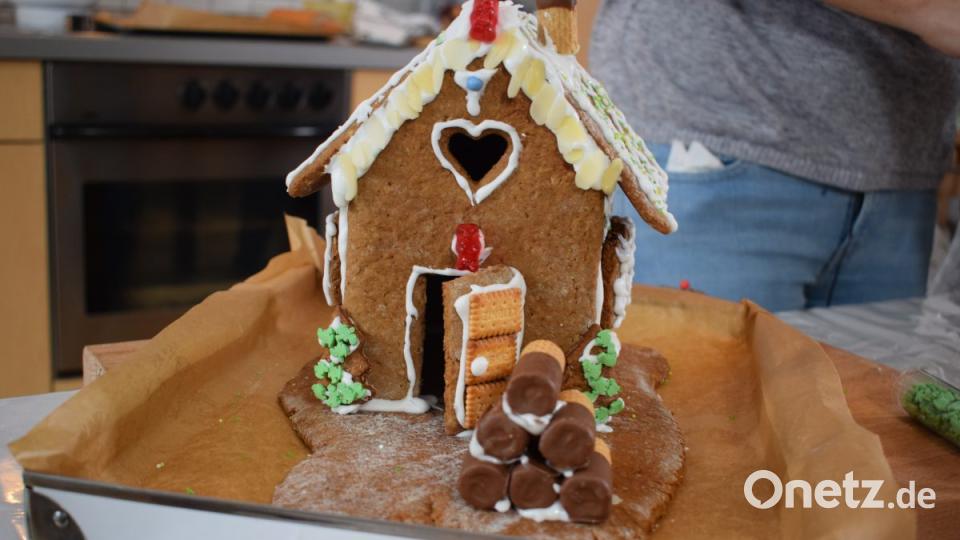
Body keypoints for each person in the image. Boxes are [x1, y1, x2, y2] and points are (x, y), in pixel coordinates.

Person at [591, 0, 960, 311]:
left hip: (903, 172)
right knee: (689, 390)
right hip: (719, 139)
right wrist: (928, 9)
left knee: (874, 395)